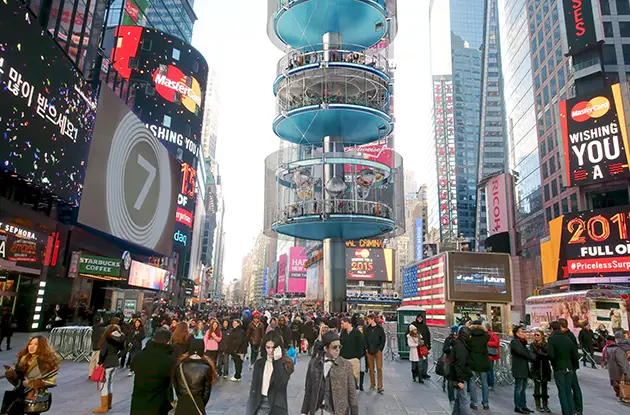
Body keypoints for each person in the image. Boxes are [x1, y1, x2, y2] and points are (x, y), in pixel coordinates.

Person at [301, 331, 358, 415]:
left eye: (339, 347)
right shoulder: (314, 364)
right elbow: (308, 389)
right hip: (317, 410)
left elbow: (352, 392)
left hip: (339, 411)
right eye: (334, 347)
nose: (338, 349)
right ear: (325, 348)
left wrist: (354, 412)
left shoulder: (346, 366)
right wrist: (304, 412)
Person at [3, 336, 60, 415]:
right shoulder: (23, 359)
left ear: (42, 346)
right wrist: (11, 375)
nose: (32, 346)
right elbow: (17, 382)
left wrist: (32, 383)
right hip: (19, 394)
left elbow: (51, 381)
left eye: (36, 344)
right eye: (30, 344)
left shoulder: (45, 362)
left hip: (35, 395)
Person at [247, 332, 294, 415]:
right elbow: (254, 387)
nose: (271, 351)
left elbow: (281, 383)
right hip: (260, 402)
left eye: (274, 347)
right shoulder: (259, 363)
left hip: (276, 405)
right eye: (268, 347)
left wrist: (278, 361)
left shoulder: (286, 363)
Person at [130, 328, 175, 415]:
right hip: (157, 402)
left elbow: (133, 368)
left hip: (138, 401)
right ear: (168, 342)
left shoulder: (139, 356)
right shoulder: (168, 360)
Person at [173, 338, 217, 415]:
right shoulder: (206, 368)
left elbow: (176, 385)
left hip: (182, 402)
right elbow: (207, 391)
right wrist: (202, 404)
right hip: (198, 401)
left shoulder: (180, 366)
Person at [548, 320, 581, 415]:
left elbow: (551, 355)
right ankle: (572, 411)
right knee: (568, 391)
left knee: (562, 392)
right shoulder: (568, 338)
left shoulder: (552, 339)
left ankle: (566, 412)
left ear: (552, 328)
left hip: (559, 368)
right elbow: (575, 354)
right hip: (569, 367)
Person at [93, 319, 126, 413]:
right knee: (110, 383)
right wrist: (117, 356)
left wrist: (100, 362)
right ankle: (109, 404)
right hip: (115, 363)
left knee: (104, 384)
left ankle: (104, 406)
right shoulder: (121, 338)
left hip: (107, 362)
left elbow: (103, 352)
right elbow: (124, 350)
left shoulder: (108, 339)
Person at [447, 326, 472, 415]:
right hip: (460, 376)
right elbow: (459, 364)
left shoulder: (459, 344)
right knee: (464, 400)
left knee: (459, 399)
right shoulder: (461, 346)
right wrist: (460, 380)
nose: (470, 337)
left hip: (458, 375)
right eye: (469, 335)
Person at [510, 325, 535, 414]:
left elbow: (527, 352)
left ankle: (523, 405)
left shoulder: (522, 342)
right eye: (521, 332)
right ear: (517, 333)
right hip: (519, 368)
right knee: (519, 388)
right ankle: (518, 406)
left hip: (524, 368)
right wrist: (532, 357)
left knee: (523, 388)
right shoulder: (515, 342)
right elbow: (523, 352)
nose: (523, 333)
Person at [468, 320, 491, 410]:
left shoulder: (469, 336)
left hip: (472, 360)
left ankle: (474, 403)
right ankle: (485, 403)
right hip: (483, 360)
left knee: (472, 381)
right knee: (484, 382)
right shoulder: (486, 335)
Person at [529, 328, 551, 412]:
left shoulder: (546, 344)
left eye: (538, 335)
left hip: (545, 367)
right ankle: (538, 405)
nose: (536, 336)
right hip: (536, 368)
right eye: (535, 335)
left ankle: (545, 405)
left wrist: (539, 353)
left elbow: (548, 355)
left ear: (541, 336)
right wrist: (539, 355)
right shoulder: (532, 345)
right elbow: (532, 356)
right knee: (537, 387)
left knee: (544, 387)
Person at [605, 330, 630, 402]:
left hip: (613, 370)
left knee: (616, 384)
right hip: (621, 370)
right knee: (625, 383)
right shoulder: (619, 349)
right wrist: (626, 372)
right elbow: (622, 362)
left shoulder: (608, 348)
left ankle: (620, 395)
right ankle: (625, 396)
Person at [364, 313, 386, 394]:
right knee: (371, 369)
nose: (367, 321)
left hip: (378, 351)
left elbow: (383, 339)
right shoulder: (366, 329)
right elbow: (364, 339)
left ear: (372, 319)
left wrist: (380, 349)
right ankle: (372, 384)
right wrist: (366, 348)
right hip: (369, 351)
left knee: (379, 368)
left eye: (369, 319)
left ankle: (380, 386)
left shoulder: (380, 328)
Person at [340, 317, 363, 386]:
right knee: (344, 379)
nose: (341, 325)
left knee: (354, 379)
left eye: (342, 323)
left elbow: (361, 345)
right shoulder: (343, 333)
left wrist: (358, 357)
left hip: (354, 359)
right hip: (344, 358)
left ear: (347, 322)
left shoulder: (357, 333)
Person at [410, 314, 431, 380]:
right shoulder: (413, 325)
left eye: (421, 318)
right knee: (418, 361)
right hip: (417, 347)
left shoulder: (424, 326)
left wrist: (429, 344)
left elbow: (428, 335)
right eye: (419, 317)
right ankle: (418, 373)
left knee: (425, 360)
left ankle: (424, 373)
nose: (420, 319)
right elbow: (409, 334)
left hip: (424, 346)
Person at [89, 314, 108, 378]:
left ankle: (90, 374)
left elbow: (92, 337)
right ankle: (97, 375)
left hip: (94, 346)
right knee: (98, 361)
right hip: (100, 346)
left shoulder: (94, 328)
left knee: (92, 360)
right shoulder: (102, 328)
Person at [484, 322, 500, 392]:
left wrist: (487, 343)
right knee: (487, 370)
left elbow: (496, 343)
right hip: (487, 355)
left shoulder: (492, 334)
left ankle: (491, 384)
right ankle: (488, 384)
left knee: (490, 370)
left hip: (490, 355)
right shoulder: (486, 334)